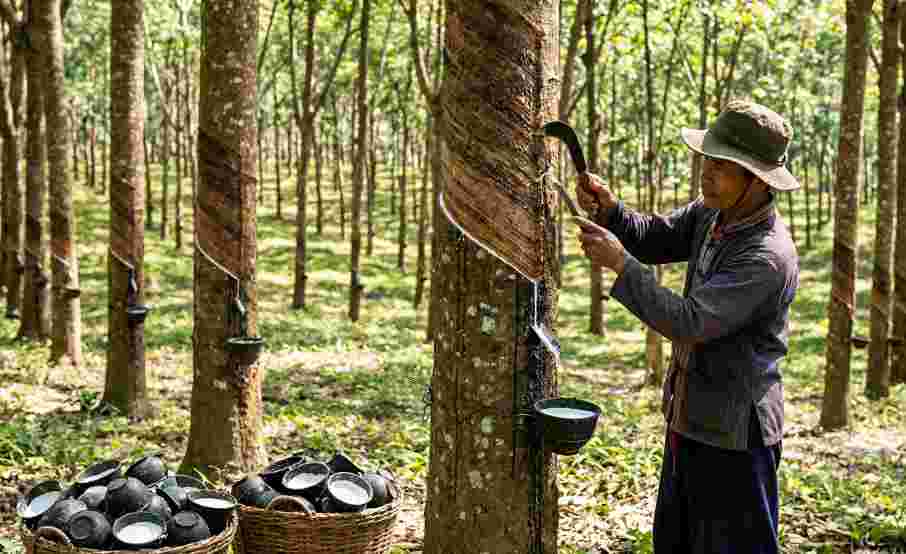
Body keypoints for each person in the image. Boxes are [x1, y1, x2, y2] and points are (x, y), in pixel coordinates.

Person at [575, 100, 799, 554]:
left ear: (756, 180)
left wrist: (620, 264)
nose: (707, 173)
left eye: (722, 166)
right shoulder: (712, 214)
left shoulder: (765, 256)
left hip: (736, 440)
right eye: (707, 160)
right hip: (690, 420)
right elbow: (658, 235)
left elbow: (690, 322)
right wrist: (613, 212)